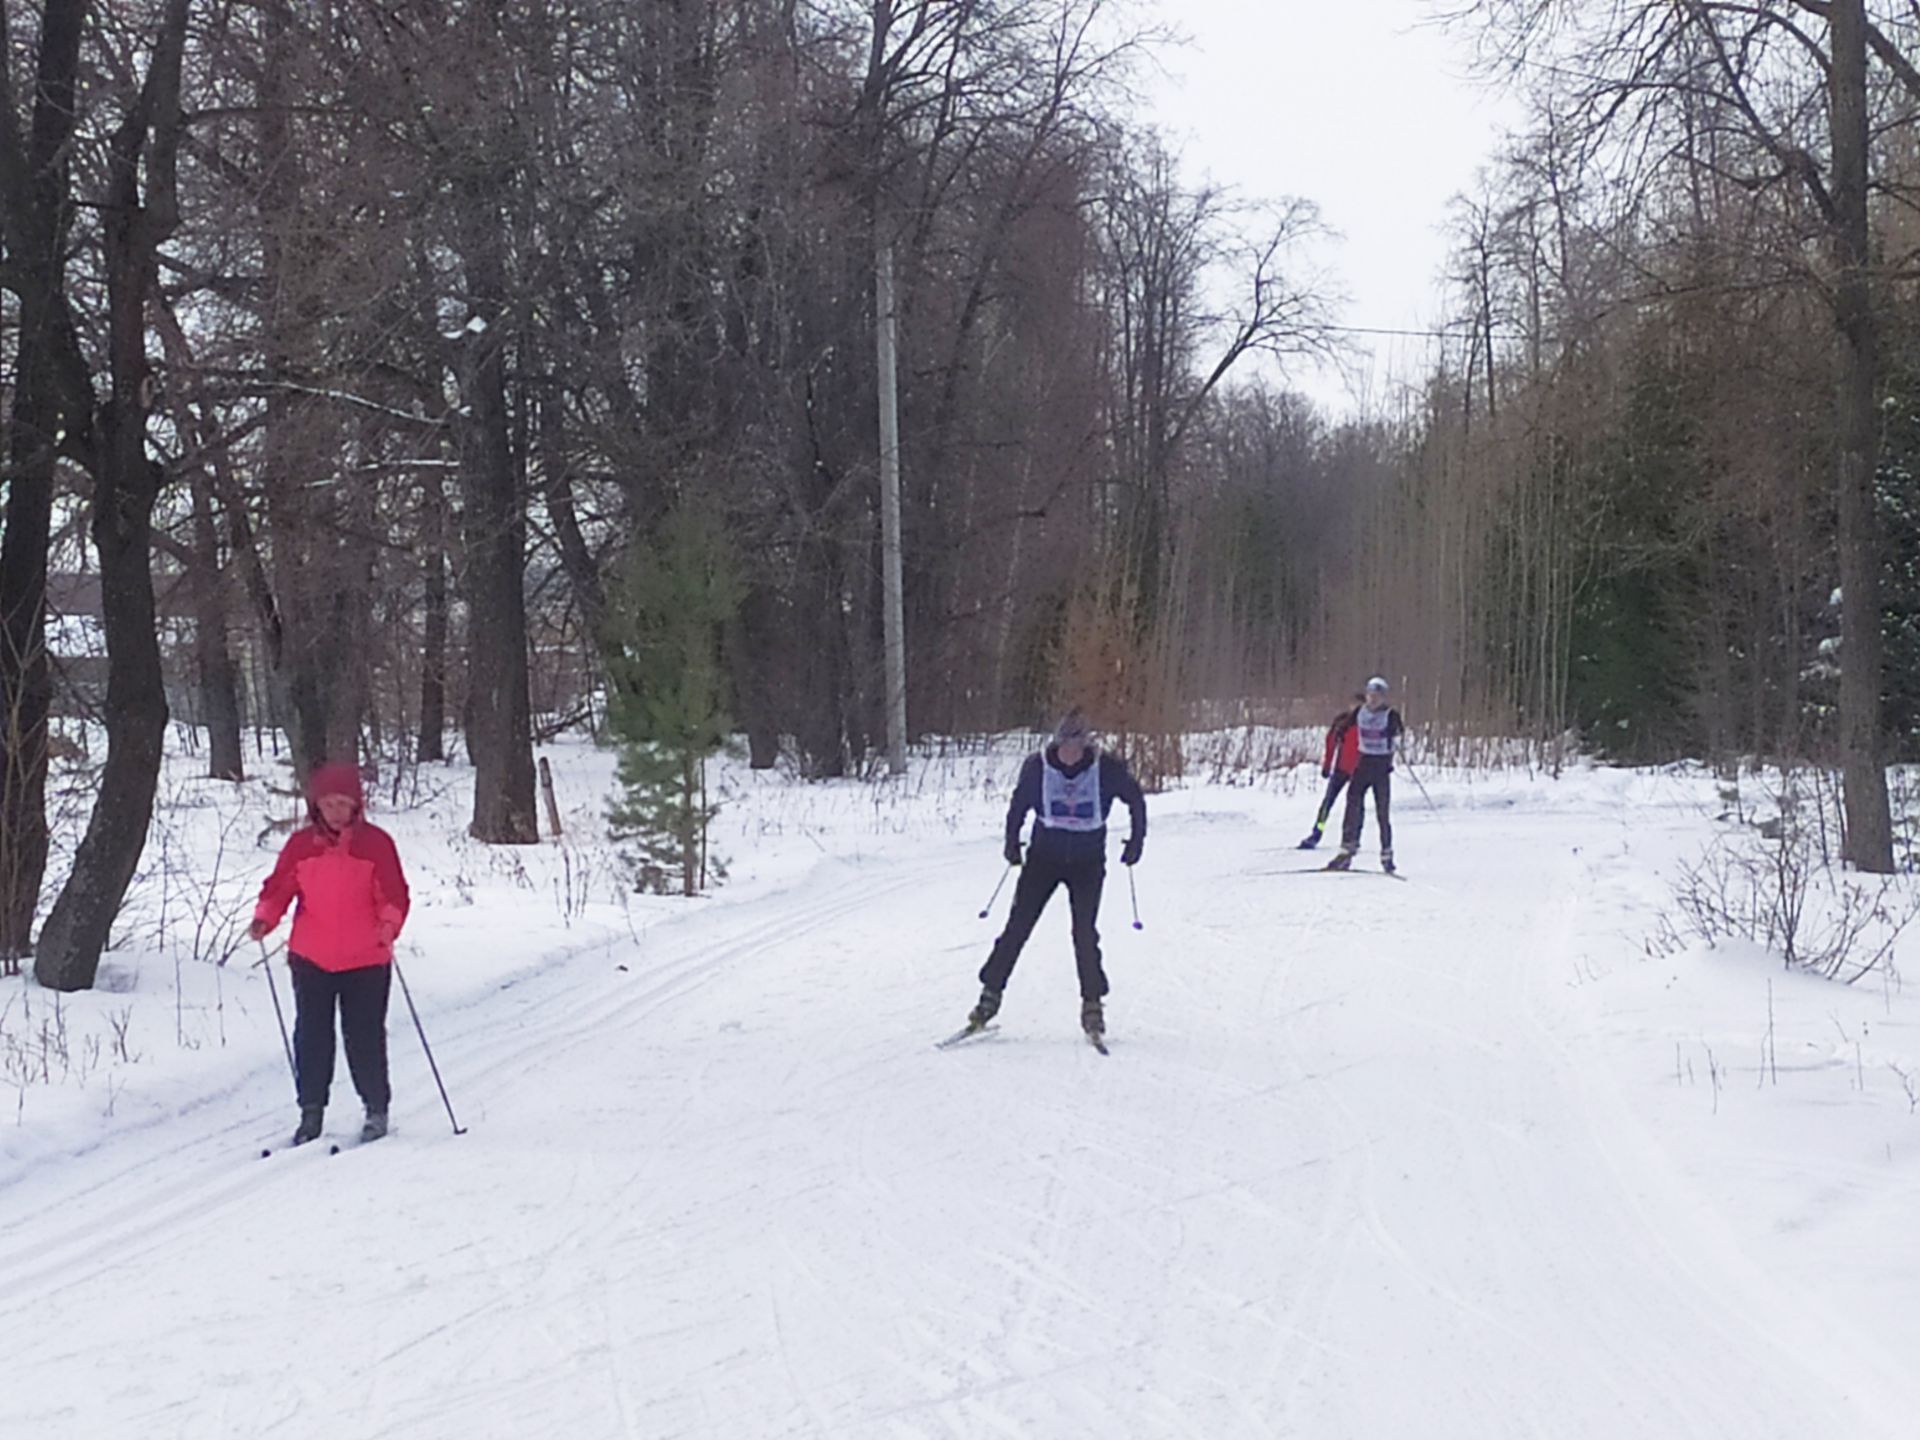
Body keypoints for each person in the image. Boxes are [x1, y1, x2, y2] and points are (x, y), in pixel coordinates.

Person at [250, 762, 411, 1146]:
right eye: (329, 803)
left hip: (367, 958)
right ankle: (311, 1112)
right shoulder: (301, 846)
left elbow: (395, 895)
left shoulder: (376, 844)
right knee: (311, 1035)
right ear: (315, 806)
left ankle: (375, 1108)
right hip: (311, 957)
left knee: (364, 1036)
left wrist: (388, 927)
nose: (336, 812)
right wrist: (264, 918)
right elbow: (279, 889)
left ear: (358, 805)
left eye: (344, 803)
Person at [966, 710, 1147, 1040]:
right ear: (1057, 743)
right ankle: (989, 997)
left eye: (1076, 747)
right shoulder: (1038, 767)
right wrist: (1011, 843)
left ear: (1085, 745)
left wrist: (1137, 841)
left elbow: (1135, 799)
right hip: (1043, 860)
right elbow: (1018, 805)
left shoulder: (1105, 768)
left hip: (1087, 862)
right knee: (1018, 926)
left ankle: (1092, 1003)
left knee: (1083, 932)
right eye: (1065, 746)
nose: (1070, 754)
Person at [1326, 677, 1403, 873]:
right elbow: (1344, 725)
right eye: (1370, 696)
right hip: (1363, 763)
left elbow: (1399, 731)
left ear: (1384, 698)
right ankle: (1347, 849)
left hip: (1381, 766)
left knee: (1382, 811)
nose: (1373, 700)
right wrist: (1341, 730)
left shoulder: (1390, 714)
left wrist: (1394, 734)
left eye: (1377, 696)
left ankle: (1387, 853)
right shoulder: (1360, 712)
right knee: (1352, 803)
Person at [1298, 692, 1366, 849]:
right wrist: (1327, 765)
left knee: (1357, 805)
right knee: (1328, 802)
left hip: (1360, 770)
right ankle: (1317, 832)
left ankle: (1354, 837)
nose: (1356, 708)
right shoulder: (1342, 722)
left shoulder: (1368, 723)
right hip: (1341, 768)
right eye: (1354, 704)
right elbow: (1330, 743)